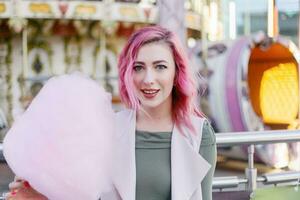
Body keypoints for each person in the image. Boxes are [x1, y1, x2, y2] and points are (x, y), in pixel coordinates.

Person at [6, 26, 216, 200]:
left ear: (176, 72)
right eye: (138, 67)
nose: (148, 79)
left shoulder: (199, 134)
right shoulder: (108, 128)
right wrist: (39, 194)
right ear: (127, 73)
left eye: (160, 67)